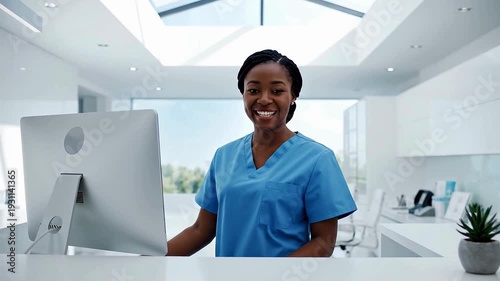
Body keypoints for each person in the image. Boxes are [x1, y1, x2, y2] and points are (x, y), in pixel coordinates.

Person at [166, 49, 357, 257]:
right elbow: (201, 230)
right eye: (254, 90)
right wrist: (150, 260)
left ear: (293, 96)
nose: (264, 99)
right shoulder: (224, 156)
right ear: (243, 95)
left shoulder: (317, 159)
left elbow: (324, 242)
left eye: (277, 91)